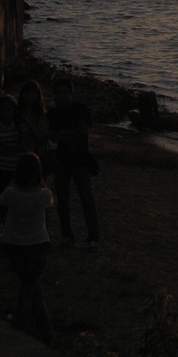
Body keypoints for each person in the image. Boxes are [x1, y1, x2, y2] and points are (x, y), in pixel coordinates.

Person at [0, 151, 55, 344]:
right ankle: (28, 327)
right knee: (30, 289)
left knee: (30, 288)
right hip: (38, 247)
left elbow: (3, 201)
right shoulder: (44, 195)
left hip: (14, 246)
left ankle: (43, 332)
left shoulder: (10, 193)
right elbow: (48, 200)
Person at [47, 77, 100, 249]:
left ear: (71, 93)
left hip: (80, 159)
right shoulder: (53, 114)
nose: (61, 96)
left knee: (86, 198)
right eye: (58, 93)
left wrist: (64, 134)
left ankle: (93, 237)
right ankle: (67, 236)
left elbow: (82, 132)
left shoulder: (80, 109)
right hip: (62, 160)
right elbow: (54, 137)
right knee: (63, 200)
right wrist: (72, 133)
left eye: (64, 93)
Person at [15, 81, 51, 169]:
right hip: (21, 152)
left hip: (39, 152)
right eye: (27, 92)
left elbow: (43, 135)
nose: (29, 95)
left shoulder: (41, 114)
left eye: (33, 93)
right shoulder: (17, 113)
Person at [0, 94, 20, 221]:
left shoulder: (18, 125)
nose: (6, 112)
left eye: (9, 109)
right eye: (3, 109)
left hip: (16, 168)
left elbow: (24, 144)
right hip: (2, 168)